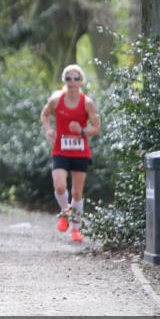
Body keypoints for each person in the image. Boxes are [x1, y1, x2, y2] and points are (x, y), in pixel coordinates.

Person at [40, 64, 100, 243]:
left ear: (81, 81)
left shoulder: (87, 103)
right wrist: (48, 129)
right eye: (68, 79)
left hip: (80, 152)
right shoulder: (56, 100)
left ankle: (76, 230)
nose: (72, 82)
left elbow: (96, 128)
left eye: (76, 79)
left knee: (76, 192)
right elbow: (45, 115)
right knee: (59, 186)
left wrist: (81, 130)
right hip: (61, 150)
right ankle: (65, 213)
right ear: (64, 81)